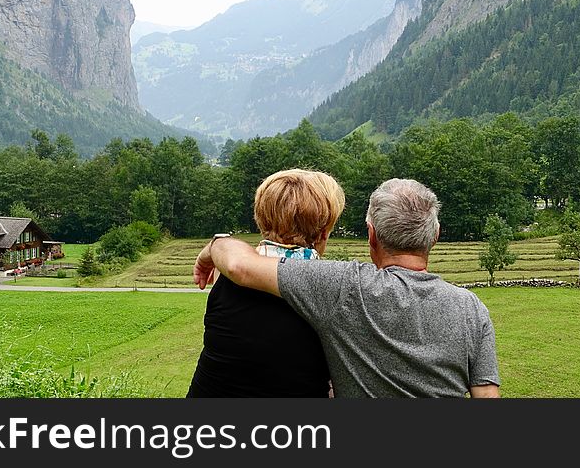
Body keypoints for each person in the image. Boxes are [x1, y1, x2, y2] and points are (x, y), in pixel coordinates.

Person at [194, 178, 500, 398]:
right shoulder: (472, 308)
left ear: (371, 235)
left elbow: (239, 266)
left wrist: (214, 247)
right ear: (435, 235)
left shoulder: (344, 286)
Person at [186, 169, 345, 397]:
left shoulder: (225, 272)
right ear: (323, 232)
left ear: (261, 220)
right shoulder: (333, 289)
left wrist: (214, 247)